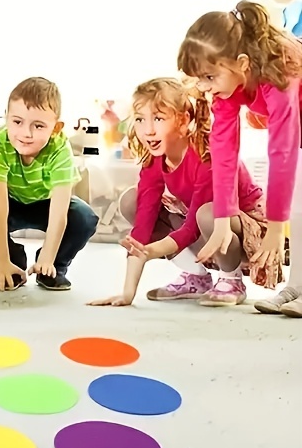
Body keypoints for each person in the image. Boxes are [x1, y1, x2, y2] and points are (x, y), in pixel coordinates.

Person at [87, 77, 271, 308]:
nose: (148, 130)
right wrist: (127, 294)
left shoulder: (205, 155)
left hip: (245, 229)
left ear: (184, 121)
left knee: (207, 213)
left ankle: (231, 280)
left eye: (158, 118)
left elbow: (193, 227)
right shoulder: (154, 159)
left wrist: (152, 251)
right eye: (141, 120)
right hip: (203, 225)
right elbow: (141, 230)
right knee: (131, 201)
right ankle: (195, 276)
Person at [178, 1, 302, 317]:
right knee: (299, 205)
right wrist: (222, 221)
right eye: (199, 79)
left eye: (209, 77)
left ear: (242, 63)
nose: (204, 87)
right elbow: (223, 154)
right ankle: (297, 286)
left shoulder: (280, 67)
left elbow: (282, 151)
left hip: (294, 121)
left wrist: (276, 228)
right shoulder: (227, 87)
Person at [0, 76, 98, 292]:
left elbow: (59, 212)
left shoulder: (59, 147)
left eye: (38, 126)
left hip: (47, 203)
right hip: (11, 202)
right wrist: (0, 259)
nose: (26, 134)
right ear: (6, 118)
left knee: (85, 218)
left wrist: (47, 255)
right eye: (17, 122)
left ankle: (53, 268)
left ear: (56, 128)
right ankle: (12, 264)